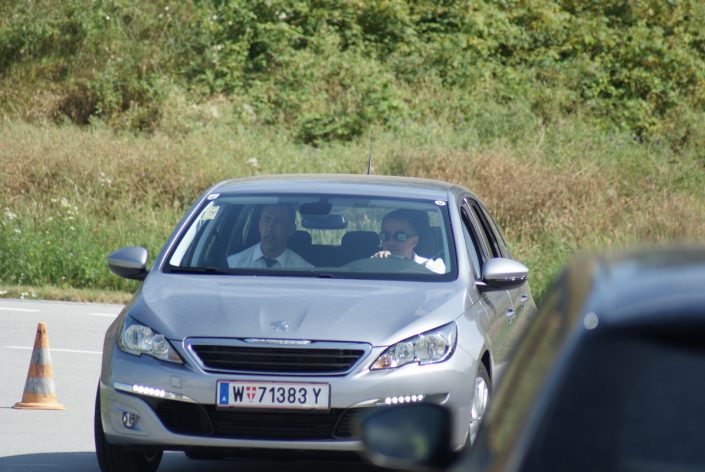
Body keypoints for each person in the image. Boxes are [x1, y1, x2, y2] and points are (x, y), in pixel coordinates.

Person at [227, 204, 313, 269]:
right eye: (266, 220)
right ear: (259, 225)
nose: (270, 228)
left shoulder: (304, 269)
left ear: (291, 229)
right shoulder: (233, 264)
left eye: (278, 221)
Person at [371, 209, 446, 274]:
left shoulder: (431, 266)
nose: (391, 242)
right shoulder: (373, 264)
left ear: (414, 241)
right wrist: (376, 264)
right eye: (385, 236)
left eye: (400, 236)